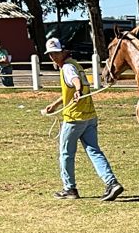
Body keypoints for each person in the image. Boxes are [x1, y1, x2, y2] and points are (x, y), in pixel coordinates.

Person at [41, 37, 123, 202]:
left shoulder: (67, 68)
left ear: (63, 51)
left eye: (55, 54)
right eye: (51, 55)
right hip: (89, 116)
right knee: (94, 151)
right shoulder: (76, 65)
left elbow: (75, 83)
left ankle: (69, 188)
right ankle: (111, 183)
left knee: (66, 154)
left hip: (74, 118)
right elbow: (72, 89)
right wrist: (56, 104)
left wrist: (78, 90)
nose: (53, 57)